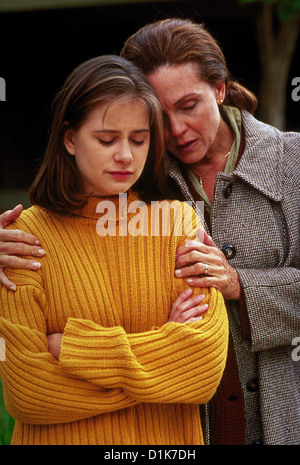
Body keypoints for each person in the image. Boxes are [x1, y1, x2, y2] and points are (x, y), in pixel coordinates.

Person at [1, 18, 299, 445]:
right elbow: (27, 386)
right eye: (159, 115)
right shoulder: (141, 173)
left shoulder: (293, 163)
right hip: (187, 427)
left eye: (189, 105)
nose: (175, 129)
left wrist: (240, 285)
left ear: (219, 89)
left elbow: (198, 365)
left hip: (280, 416)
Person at [0, 54, 228, 445]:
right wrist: (165, 362)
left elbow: (203, 371)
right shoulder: (22, 238)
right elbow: (27, 392)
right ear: (70, 139)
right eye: (107, 140)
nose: (125, 155)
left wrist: (70, 347)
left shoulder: (177, 224)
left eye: (139, 140)